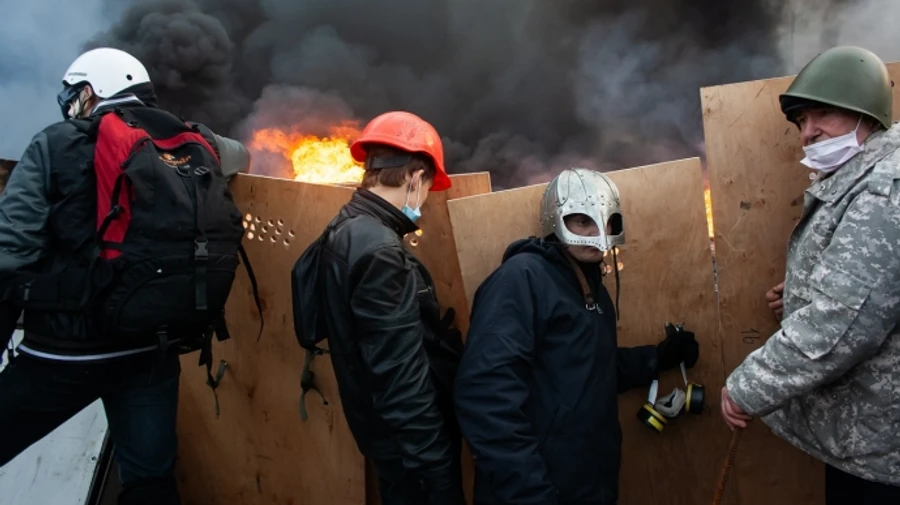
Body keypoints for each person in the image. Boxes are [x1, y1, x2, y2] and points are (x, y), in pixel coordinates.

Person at [0, 47, 250, 504]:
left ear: (92, 91)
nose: (70, 102)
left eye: (74, 93)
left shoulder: (54, 143)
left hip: (65, 352)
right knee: (150, 481)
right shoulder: (198, 142)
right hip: (150, 347)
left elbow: (9, 254)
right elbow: (242, 155)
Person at [453, 168, 700, 505]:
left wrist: (656, 358)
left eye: (607, 221)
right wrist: (529, 494)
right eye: (582, 221)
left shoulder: (591, 287)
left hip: (587, 483)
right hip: (536, 489)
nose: (598, 234)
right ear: (555, 220)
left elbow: (585, 370)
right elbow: (486, 396)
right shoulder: (522, 280)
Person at [721, 45, 900, 503]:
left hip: (882, 452)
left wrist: (748, 387)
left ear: (866, 114)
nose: (808, 133)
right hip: (871, 439)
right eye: (801, 122)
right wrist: (802, 292)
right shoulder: (864, 177)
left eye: (822, 114)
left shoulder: (882, 190)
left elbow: (841, 323)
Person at [295, 111, 465, 505]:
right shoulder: (381, 251)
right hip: (409, 450)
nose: (423, 201)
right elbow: (399, 375)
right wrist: (435, 468)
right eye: (426, 189)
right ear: (414, 178)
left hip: (383, 435)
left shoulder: (348, 225)